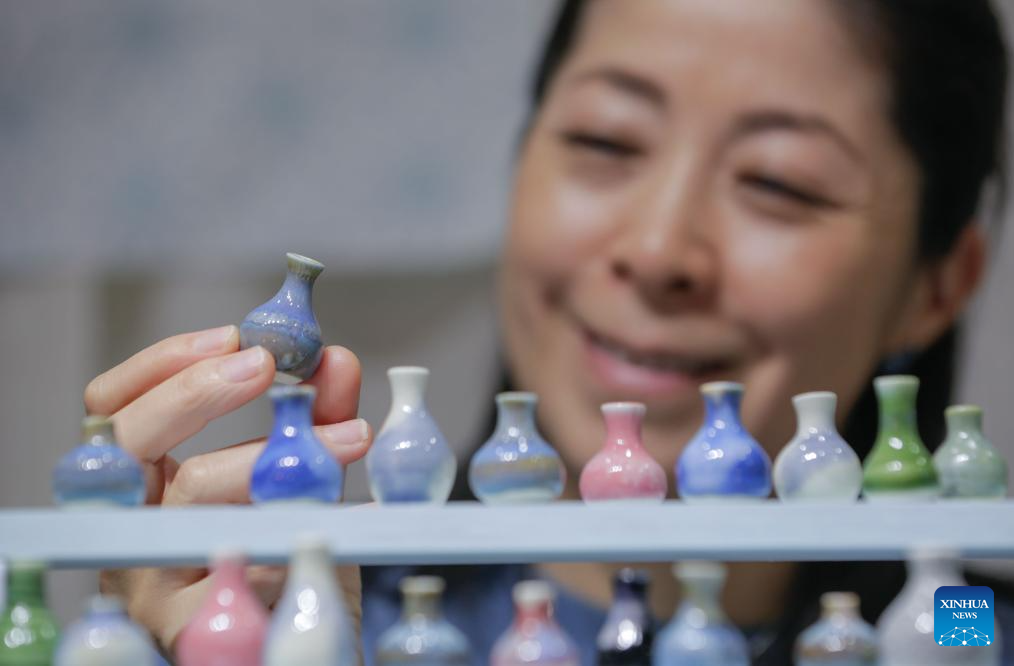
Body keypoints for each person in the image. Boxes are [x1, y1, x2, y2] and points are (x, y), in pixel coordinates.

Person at [86, 0, 1011, 664]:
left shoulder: (967, 621)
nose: (657, 249)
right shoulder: (355, 621)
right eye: (606, 140)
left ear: (939, 286)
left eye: (781, 183)